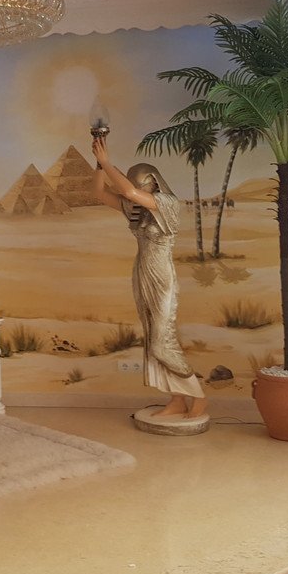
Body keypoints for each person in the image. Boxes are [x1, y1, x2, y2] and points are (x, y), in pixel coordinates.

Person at [92, 137, 207, 420]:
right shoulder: (138, 209)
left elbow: (128, 191)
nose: (135, 190)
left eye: (141, 185)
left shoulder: (167, 203)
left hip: (162, 276)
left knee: (161, 342)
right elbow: (99, 193)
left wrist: (107, 162)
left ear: (154, 182)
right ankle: (177, 400)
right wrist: (99, 164)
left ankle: (198, 396)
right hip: (142, 273)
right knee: (154, 338)